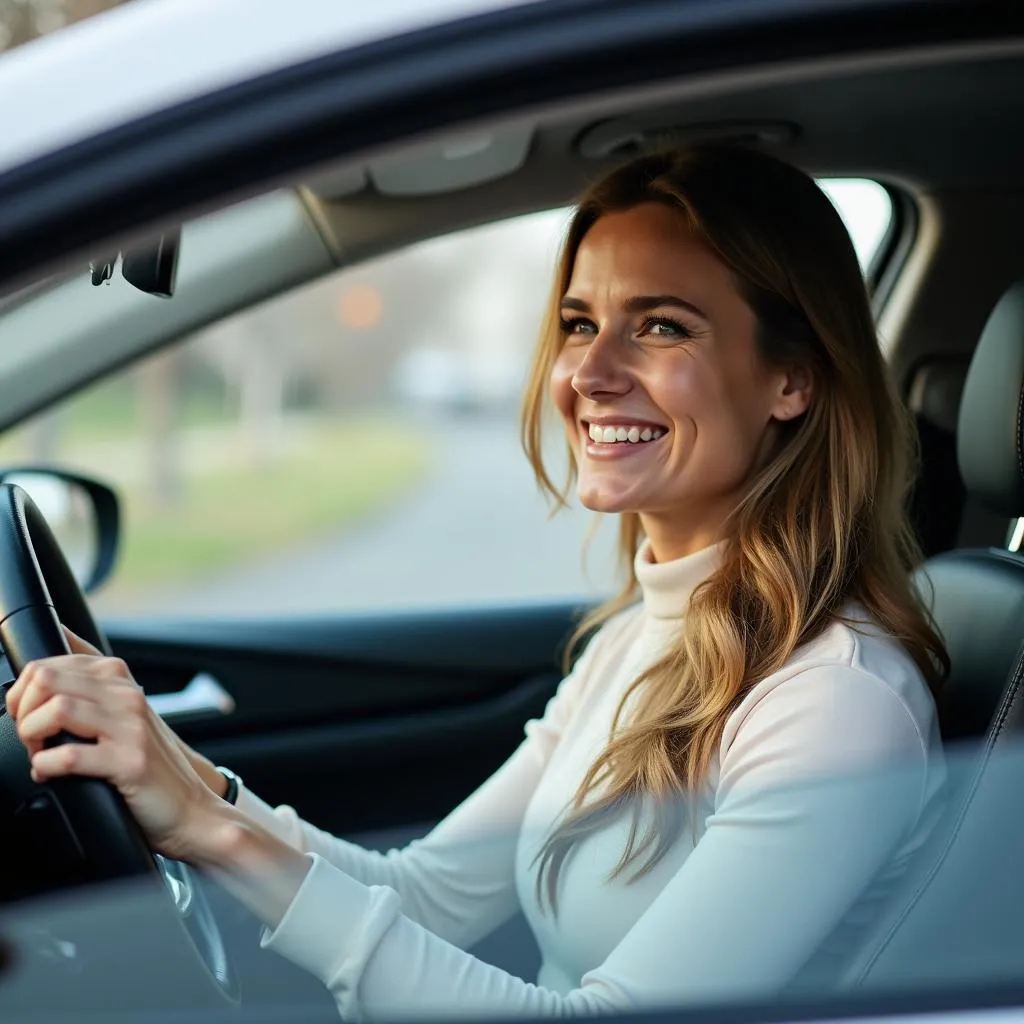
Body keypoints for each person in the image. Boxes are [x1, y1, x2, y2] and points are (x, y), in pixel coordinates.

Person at [6, 146, 948, 1019]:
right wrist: (176, 775)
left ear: (792, 380)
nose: (590, 371)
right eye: (580, 324)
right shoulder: (647, 632)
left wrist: (213, 836)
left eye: (662, 326)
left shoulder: (835, 706)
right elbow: (422, 894)